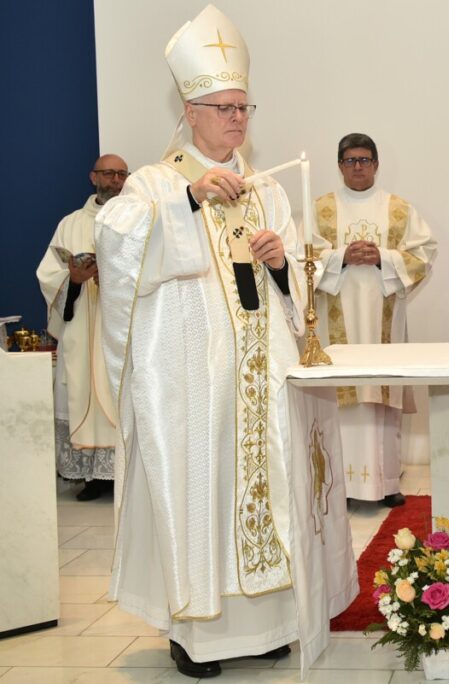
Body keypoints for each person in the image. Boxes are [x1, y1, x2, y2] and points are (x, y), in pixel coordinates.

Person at [95, 5, 356, 677]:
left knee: (265, 495)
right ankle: (195, 635)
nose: (238, 118)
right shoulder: (154, 184)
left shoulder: (267, 192)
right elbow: (117, 242)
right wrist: (186, 202)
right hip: (190, 384)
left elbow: (297, 286)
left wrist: (278, 263)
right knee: (200, 496)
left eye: (244, 106)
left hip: (259, 380)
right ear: (189, 109)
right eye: (223, 107)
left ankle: (267, 624)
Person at [312, 133, 437, 507]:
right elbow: (301, 256)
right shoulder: (320, 209)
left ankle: (386, 482)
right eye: (350, 161)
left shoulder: (398, 209)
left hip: (384, 321)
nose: (358, 167)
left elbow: (425, 252)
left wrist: (383, 257)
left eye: (365, 160)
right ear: (339, 165)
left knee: (381, 395)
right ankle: (341, 487)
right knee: (343, 397)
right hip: (337, 320)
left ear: (376, 164)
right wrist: (340, 258)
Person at [36, 155, 128, 501]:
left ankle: (126, 475)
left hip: (121, 329)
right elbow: (49, 274)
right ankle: (94, 476)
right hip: (83, 328)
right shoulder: (71, 224)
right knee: (83, 387)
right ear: (93, 177)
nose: (115, 180)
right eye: (108, 173)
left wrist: (116, 278)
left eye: (121, 174)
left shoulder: (138, 221)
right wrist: (74, 280)